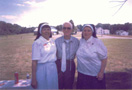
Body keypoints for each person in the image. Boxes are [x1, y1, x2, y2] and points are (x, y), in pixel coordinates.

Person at [76, 24, 107, 89]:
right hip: (82, 73)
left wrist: (101, 72)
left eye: (88, 30)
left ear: (92, 32)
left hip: (94, 75)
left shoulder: (97, 42)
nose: (86, 32)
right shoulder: (81, 41)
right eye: (84, 30)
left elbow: (104, 58)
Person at [31, 23, 58, 89]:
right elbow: (34, 62)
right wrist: (34, 79)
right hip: (42, 70)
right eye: (44, 29)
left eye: (48, 29)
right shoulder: (37, 43)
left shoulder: (52, 41)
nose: (46, 31)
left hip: (53, 68)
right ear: (40, 31)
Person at [55, 22, 79, 89]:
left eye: (68, 28)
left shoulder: (76, 41)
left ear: (72, 29)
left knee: (69, 85)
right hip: (59, 64)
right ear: (62, 29)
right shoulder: (56, 41)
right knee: (59, 85)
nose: (66, 30)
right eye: (64, 28)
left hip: (70, 64)